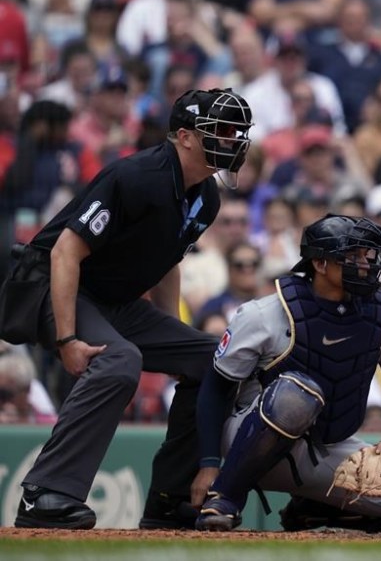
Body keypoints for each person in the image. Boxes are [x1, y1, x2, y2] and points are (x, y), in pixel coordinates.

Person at [0, 88, 254, 529]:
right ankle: (47, 494)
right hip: (49, 285)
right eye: (221, 131)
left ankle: (169, 498)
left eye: (236, 133)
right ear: (185, 137)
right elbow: (64, 253)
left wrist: (173, 343)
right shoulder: (138, 176)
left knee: (213, 359)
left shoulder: (206, 199)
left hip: (111, 300)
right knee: (119, 361)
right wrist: (67, 340)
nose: (232, 141)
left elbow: (167, 263)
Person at [193, 214, 381, 533]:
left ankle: (316, 508)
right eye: (353, 256)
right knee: (297, 394)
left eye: (367, 255)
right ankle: (225, 499)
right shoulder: (265, 313)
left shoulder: (378, 314)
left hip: (328, 447)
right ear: (320, 264)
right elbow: (215, 388)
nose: (365, 264)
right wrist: (209, 464)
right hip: (249, 442)